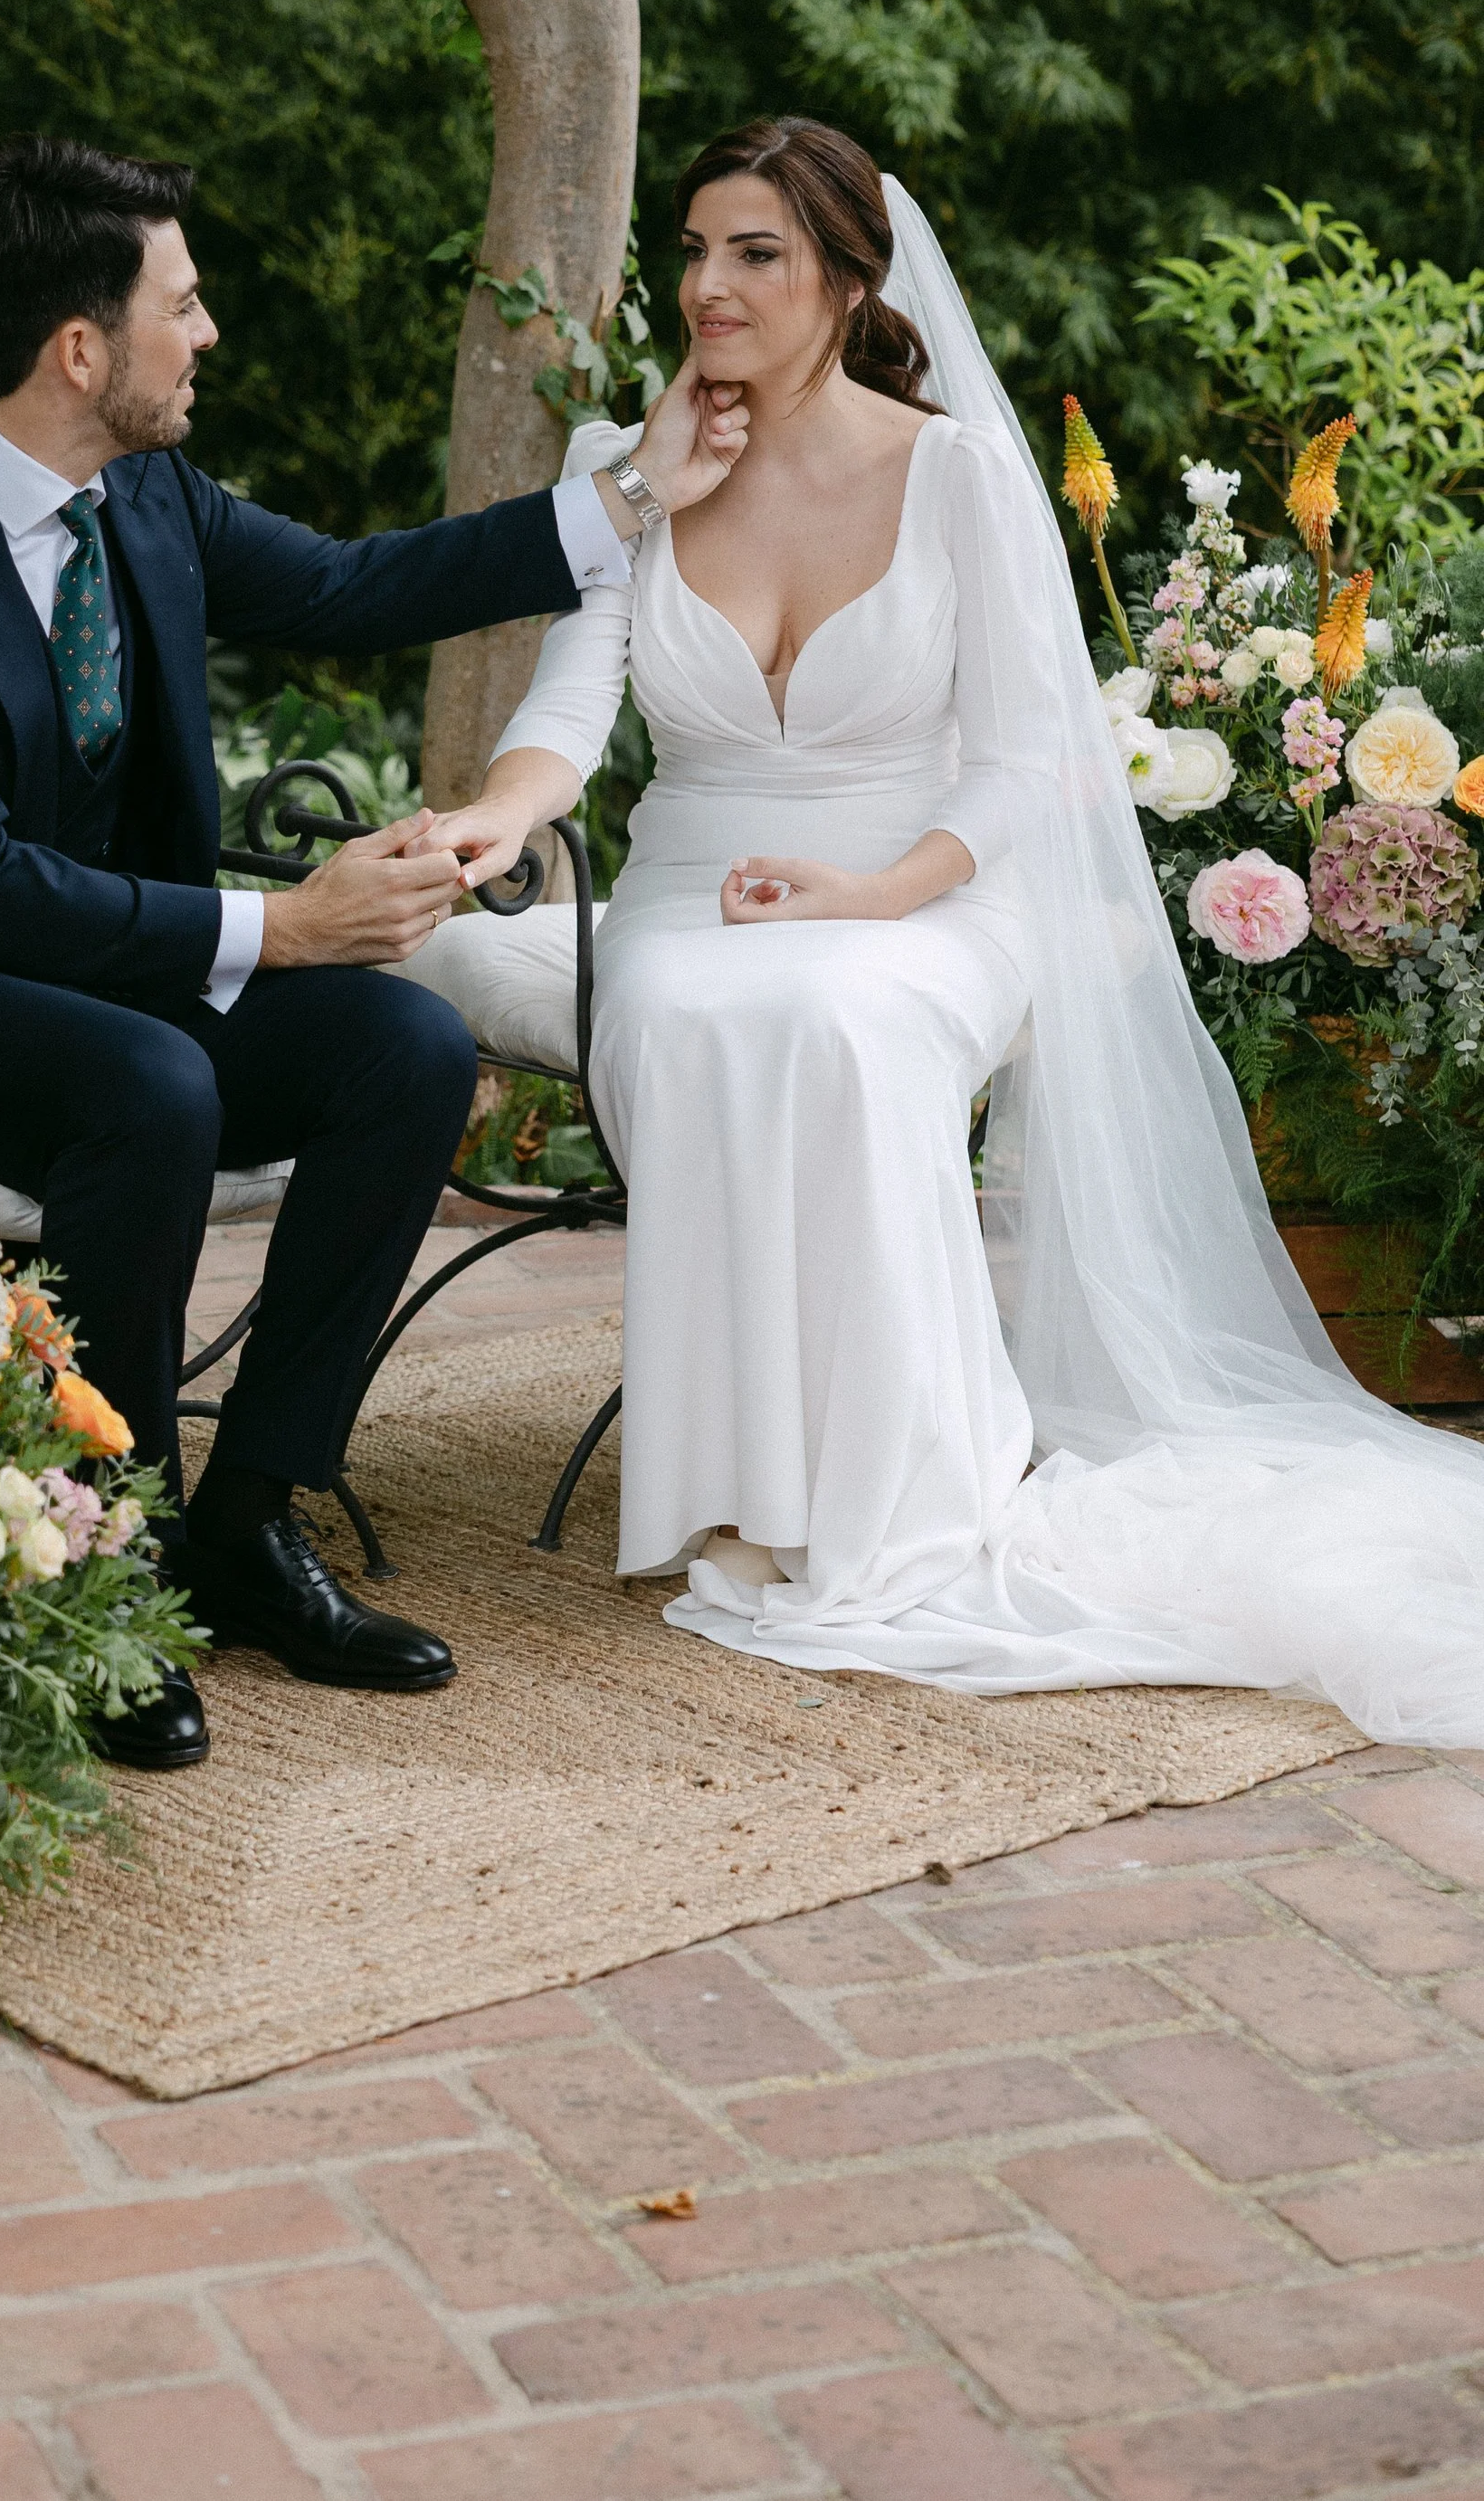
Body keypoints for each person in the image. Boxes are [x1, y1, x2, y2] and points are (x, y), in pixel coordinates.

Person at [433, 115, 1484, 1746]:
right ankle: (738, 1492)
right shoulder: (620, 461)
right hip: (693, 884)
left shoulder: (962, 475)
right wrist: (500, 816)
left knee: (845, 1012)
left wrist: (876, 891)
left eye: (754, 253)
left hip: (933, 884)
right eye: (694, 250)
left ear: (851, 280)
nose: (707, 284)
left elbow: (1018, 763)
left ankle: (895, 1496)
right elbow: (571, 705)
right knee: (706, 1012)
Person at [0, 130, 743, 1770]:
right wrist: (285, 923)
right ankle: (109, 1561)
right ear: (79, 348)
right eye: (181, 306)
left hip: (100, 963)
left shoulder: (147, 492)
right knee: (152, 1083)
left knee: (400, 1048)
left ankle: (252, 1519)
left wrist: (633, 494)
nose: (208, 336)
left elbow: (351, 584)